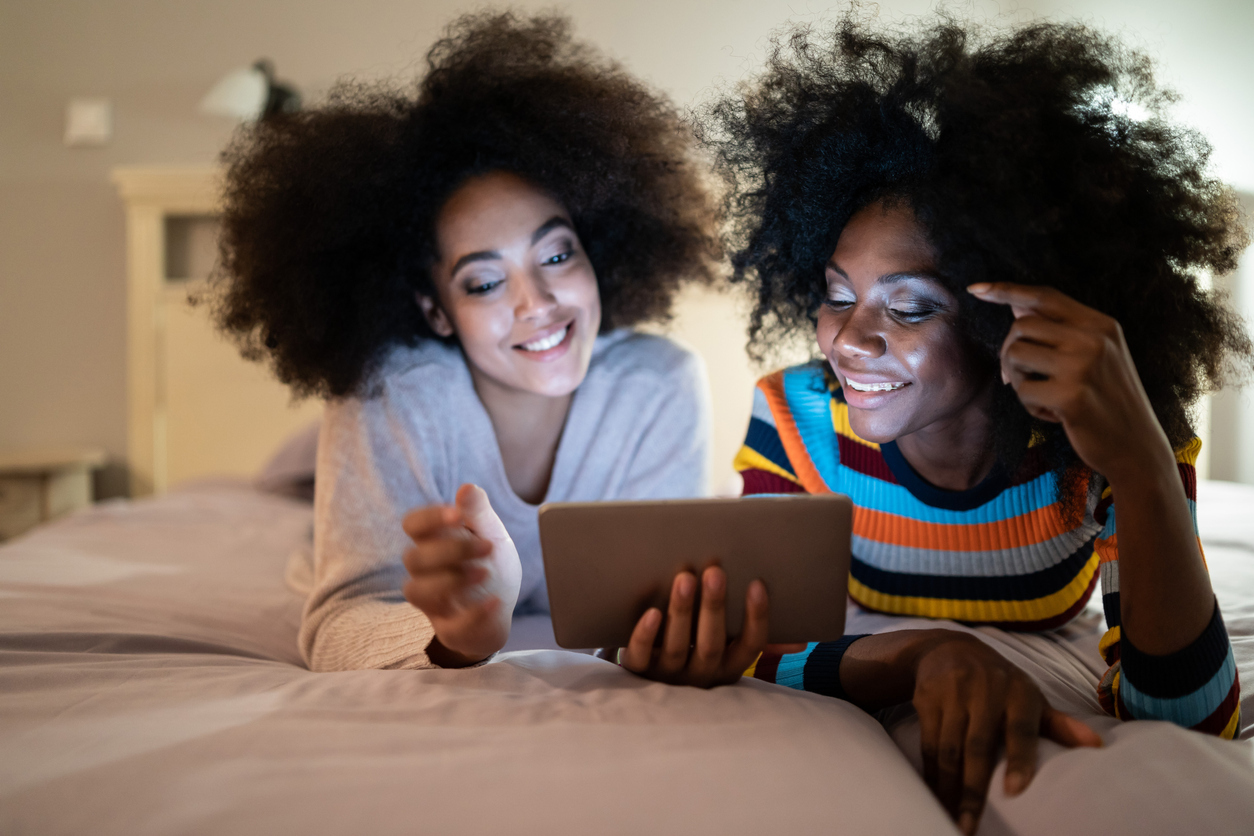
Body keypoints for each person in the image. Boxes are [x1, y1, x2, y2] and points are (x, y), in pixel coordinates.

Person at [620, 16, 1252, 834]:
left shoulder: (1103, 442)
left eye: (910, 306)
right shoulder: (797, 418)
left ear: (1012, 318)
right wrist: (916, 656)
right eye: (838, 295)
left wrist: (1142, 465)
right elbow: (760, 645)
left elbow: (1191, 723)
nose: (848, 340)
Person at [210, 12, 728, 671]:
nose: (536, 303)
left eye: (558, 255)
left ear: (596, 252)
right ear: (437, 309)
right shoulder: (387, 392)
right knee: (302, 489)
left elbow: (651, 613)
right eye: (483, 283)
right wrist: (454, 638)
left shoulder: (661, 385)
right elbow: (340, 619)